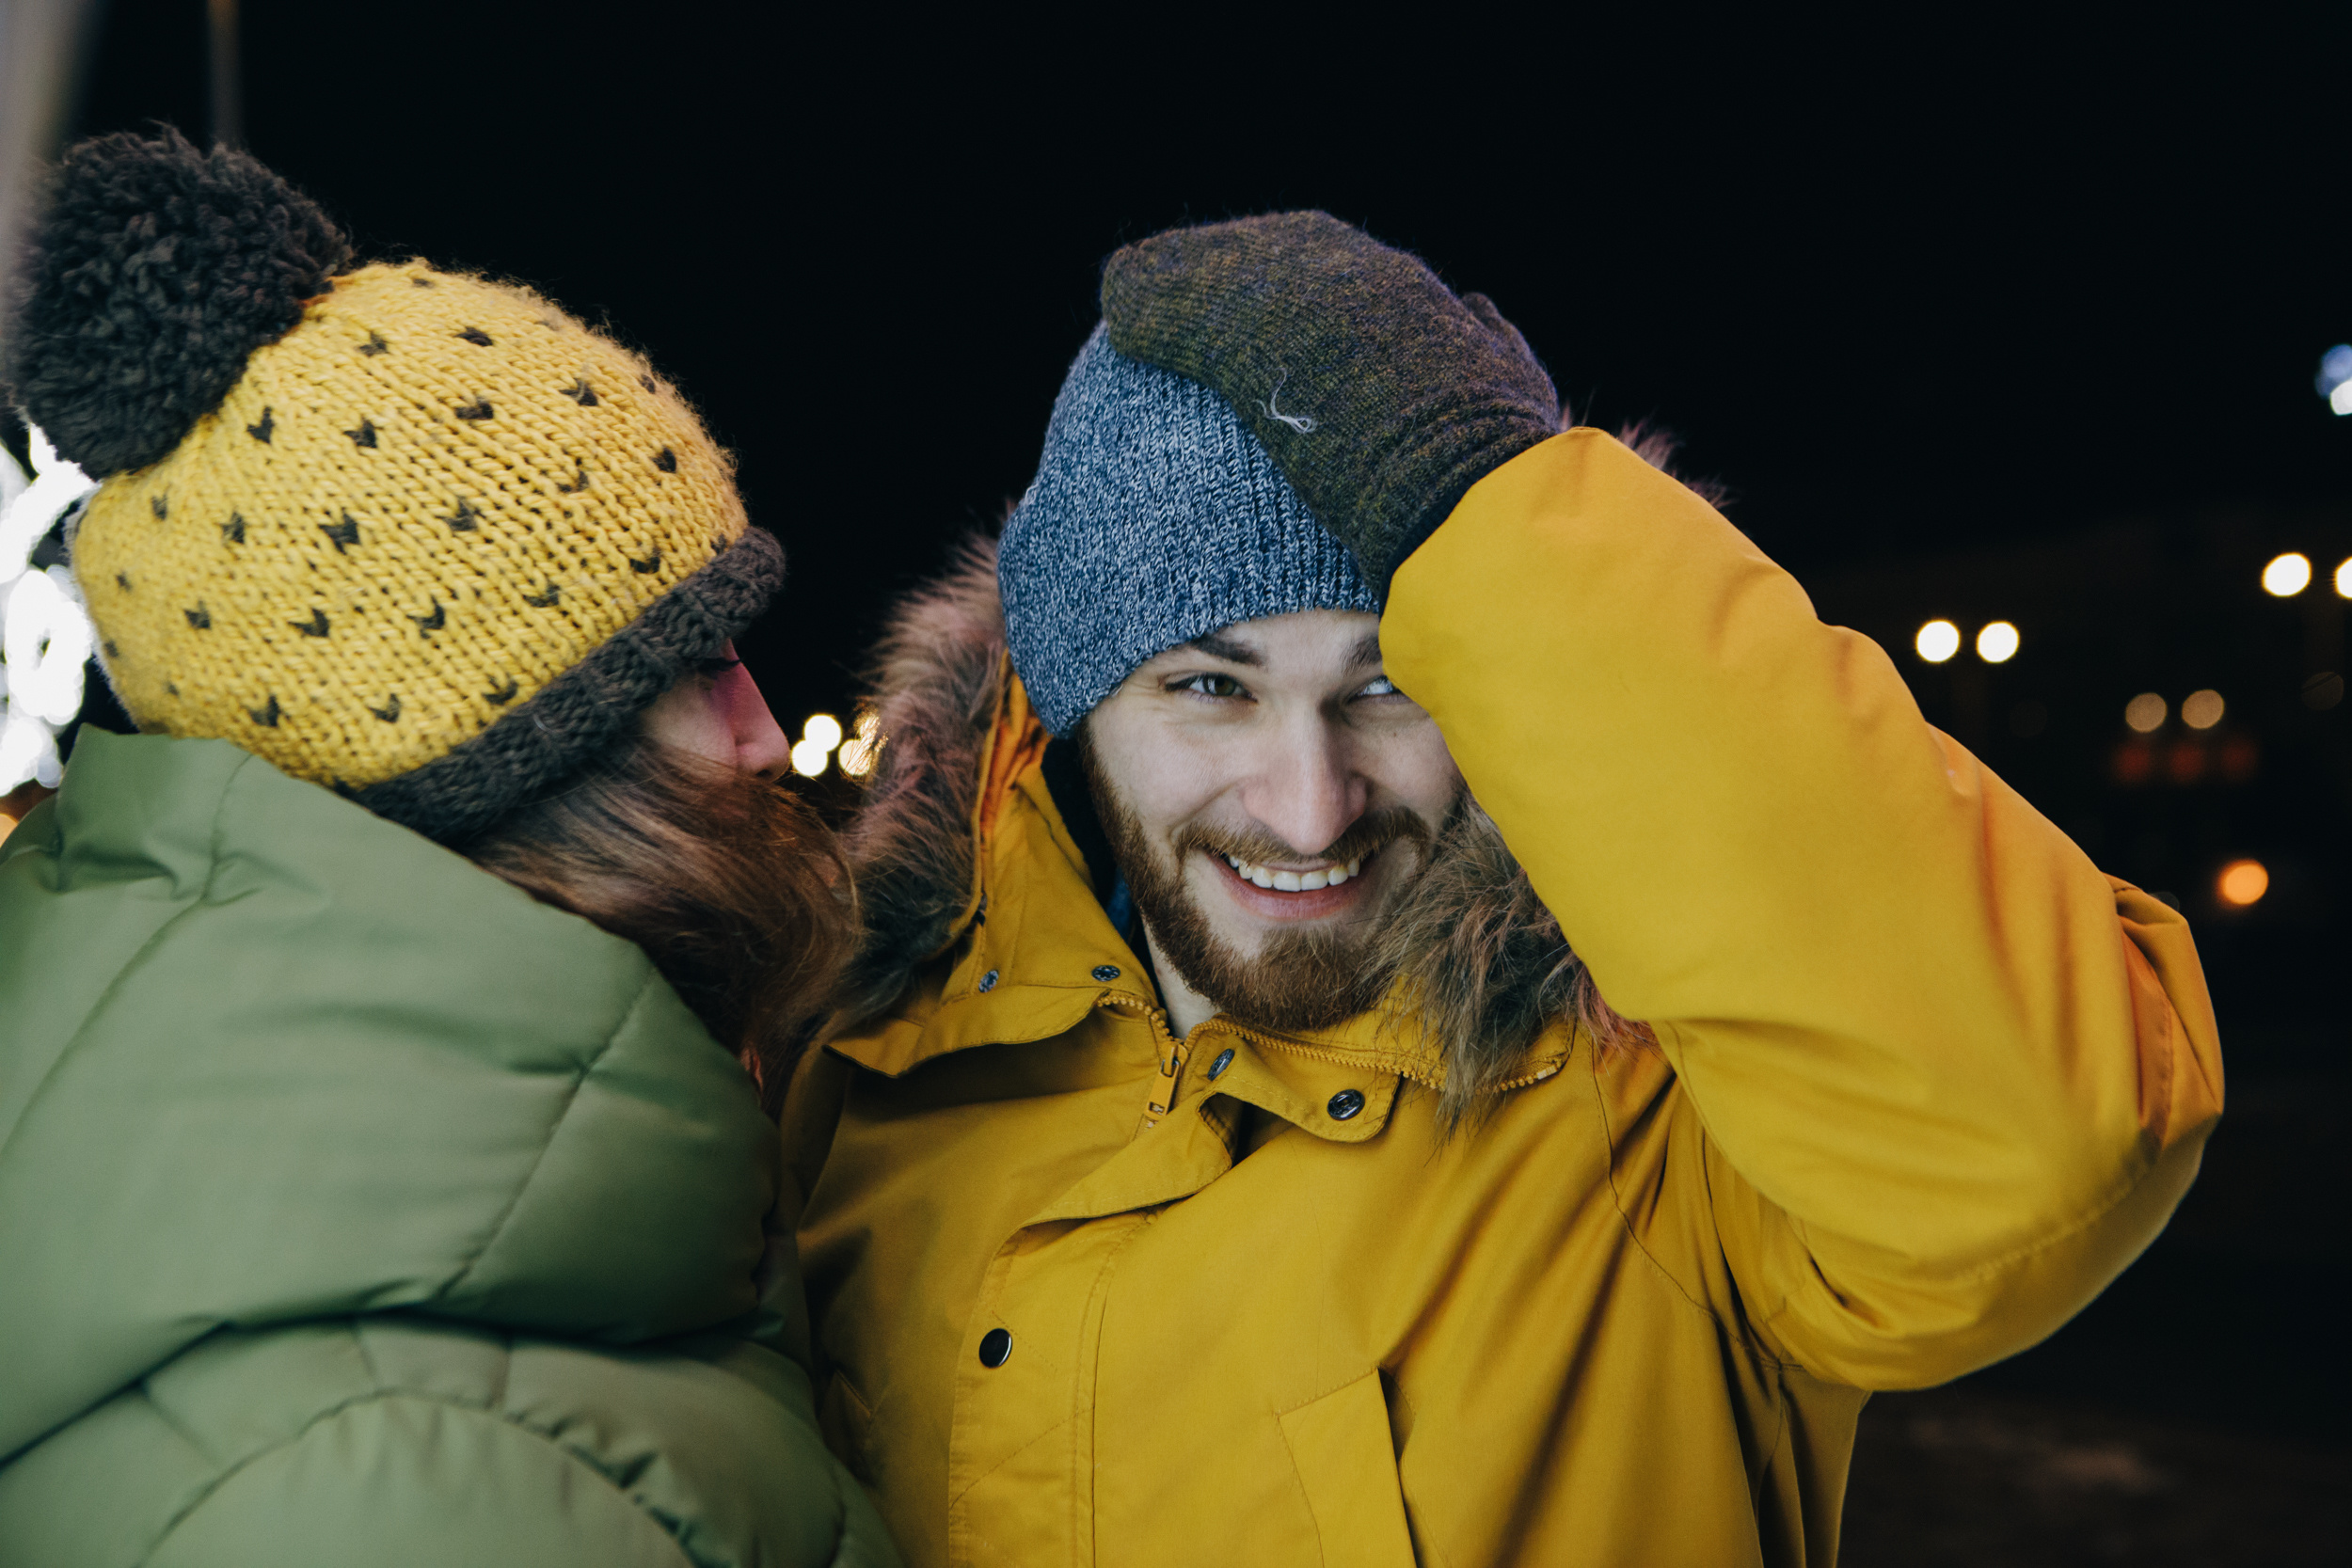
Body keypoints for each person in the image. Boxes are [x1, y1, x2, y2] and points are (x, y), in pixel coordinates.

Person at [783, 213, 2224, 1566]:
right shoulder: (858, 1081)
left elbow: (2041, 1151)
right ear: (1072, 703)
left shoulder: (1655, 1106)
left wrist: (1492, 508)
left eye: (1391, 682)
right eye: (1212, 687)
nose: (1311, 800)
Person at [0, 130, 897, 1567]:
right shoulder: (409, 1487)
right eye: (695, 669)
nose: (760, 728)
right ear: (505, 768)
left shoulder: (367, 1243)